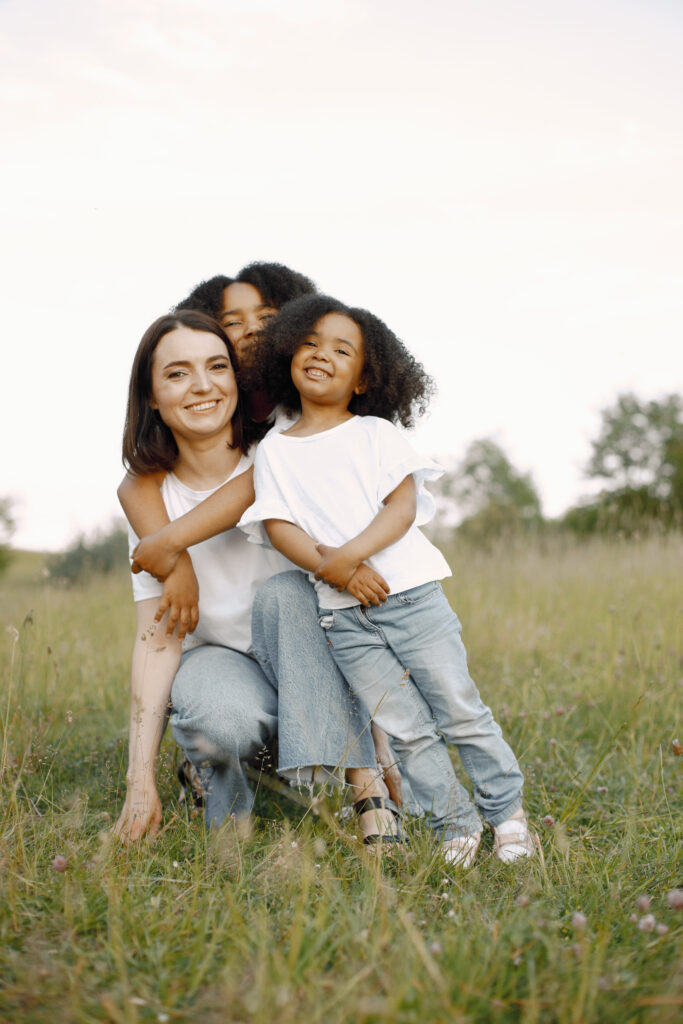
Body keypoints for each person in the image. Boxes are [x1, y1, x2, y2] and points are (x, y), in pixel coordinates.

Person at [237, 293, 540, 868]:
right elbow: (277, 524)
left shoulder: (376, 434)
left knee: (458, 709)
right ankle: (454, 822)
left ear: (363, 379)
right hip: (341, 614)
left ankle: (508, 816)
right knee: (403, 726)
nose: (321, 354)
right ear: (286, 357)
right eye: (309, 342)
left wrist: (347, 558)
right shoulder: (274, 451)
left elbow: (400, 509)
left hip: (413, 599)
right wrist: (334, 571)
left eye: (341, 349)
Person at [115, 304, 400, 843]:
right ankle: (225, 800)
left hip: (313, 663)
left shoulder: (286, 460)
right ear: (152, 395)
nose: (202, 386)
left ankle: (363, 791)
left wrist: (381, 753)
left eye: (216, 367)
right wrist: (138, 783)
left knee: (293, 592)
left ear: (237, 379)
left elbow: (349, 605)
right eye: (177, 373)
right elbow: (156, 642)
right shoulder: (150, 499)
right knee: (223, 718)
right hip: (220, 666)